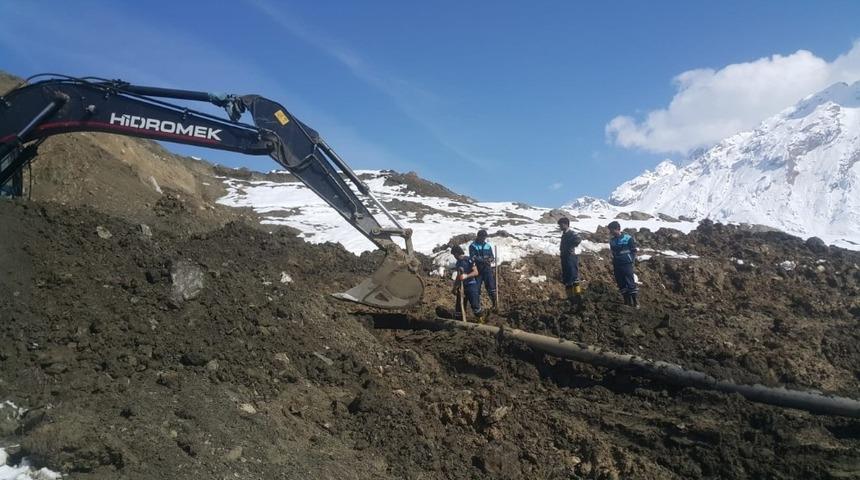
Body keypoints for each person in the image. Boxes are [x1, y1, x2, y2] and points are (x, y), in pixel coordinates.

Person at [608, 221, 639, 308]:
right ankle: (627, 302)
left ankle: (635, 302)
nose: (611, 232)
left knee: (630, 281)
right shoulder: (612, 241)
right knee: (620, 282)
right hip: (617, 264)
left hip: (626, 263)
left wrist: (630, 260)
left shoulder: (628, 238)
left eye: (612, 230)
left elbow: (634, 250)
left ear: (617, 229)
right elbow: (613, 252)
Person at [451, 245, 483, 322]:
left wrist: (466, 276)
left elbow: (476, 272)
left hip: (471, 285)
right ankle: (460, 323)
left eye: (454, 254)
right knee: (459, 307)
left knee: (475, 305)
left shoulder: (469, 260)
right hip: (462, 287)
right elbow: (459, 276)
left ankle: (480, 320)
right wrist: (454, 288)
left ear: (457, 253)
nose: (454, 256)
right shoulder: (458, 263)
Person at [468, 229, 497, 310]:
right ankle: (477, 307)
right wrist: (484, 259)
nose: (483, 239)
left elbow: (492, 257)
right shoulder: (473, 246)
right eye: (482, 237)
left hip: (487, 269)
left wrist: (490, 259)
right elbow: (473, 257)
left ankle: (495, 305)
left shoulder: (488, 246)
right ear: (478, 236)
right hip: (477, 270)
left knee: (491, 287)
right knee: (476, 288)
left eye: (484, 237)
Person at [557, 217, 583, 307]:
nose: (560, 226)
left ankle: (578, 296)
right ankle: (570, 297)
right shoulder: (564, 234)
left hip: (571, 257)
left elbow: (578, 239)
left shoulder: (571, 233)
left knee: (574, 276)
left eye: (561, 224)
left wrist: (571, 246)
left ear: (566, 224)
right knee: (567, 278)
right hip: (564, 258)